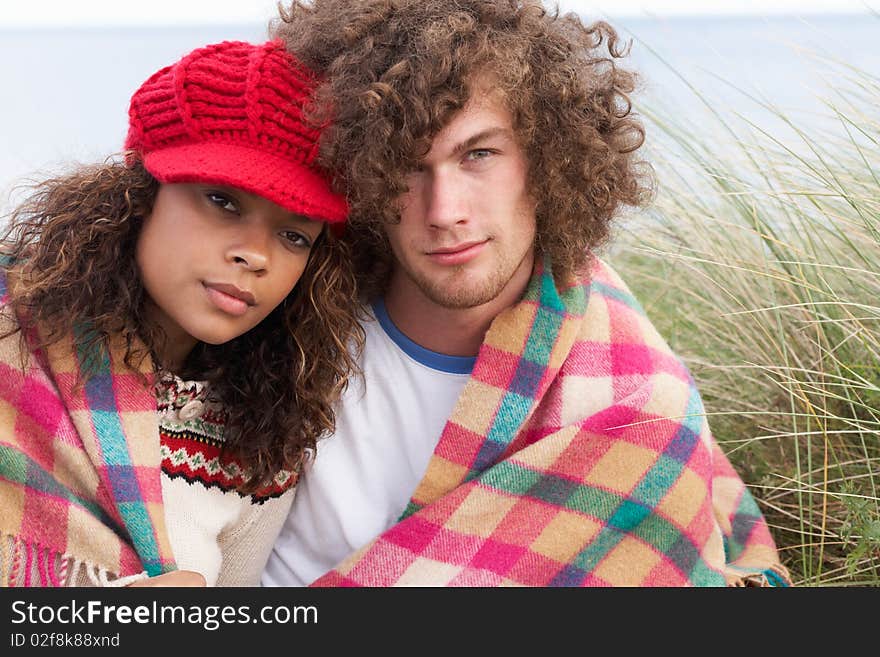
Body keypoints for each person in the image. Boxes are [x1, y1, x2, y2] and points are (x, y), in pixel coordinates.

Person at [260, 0, 792, 588]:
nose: (445, 212)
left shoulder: (634, 408)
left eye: (479, 154)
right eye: (406, 167)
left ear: (547, 159)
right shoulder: (285, 305)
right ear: (356, 168)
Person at [0, 39, 362, 587]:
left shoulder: (262, 440)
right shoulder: (11, 343)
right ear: (141, 193)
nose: (256, 255)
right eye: (223, 202)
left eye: (293, 235)